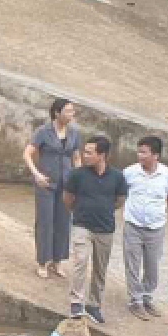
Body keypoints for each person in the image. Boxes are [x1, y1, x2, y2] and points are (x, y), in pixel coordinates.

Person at [64, 135, 127, 325]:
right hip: (82, 225)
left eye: (89, 153)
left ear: (102, 155)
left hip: (105, 229)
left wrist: (103, 209)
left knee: (100, 269)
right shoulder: (77, 175)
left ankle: (93, 305)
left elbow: (120, 201)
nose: (85, 155)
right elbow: (67, 199)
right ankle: (76, 303)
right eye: (85, 152)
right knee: (80, 261)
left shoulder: (117, 177)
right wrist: (80, 211)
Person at [23, 98, 82, 279]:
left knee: (63, 223)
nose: (71, 115)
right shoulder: (43, 131)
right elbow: (27, 153)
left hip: (66, 185)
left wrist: (77, 177)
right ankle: (43, 261)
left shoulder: (74, 133)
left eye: (72, 111)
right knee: (45, 222)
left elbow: (76, 157)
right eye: (68, 111)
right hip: (46, 183)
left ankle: (57, 261)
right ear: (57, 113)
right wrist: (36, 174)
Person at [122, 135, 168, 321]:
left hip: (156, 227)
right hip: (133, 225)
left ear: (156, 155)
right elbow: (121, 194)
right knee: (132, 264)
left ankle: (147, 297)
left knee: (152, 265)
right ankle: (135, 301)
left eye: (144, 152)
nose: (140, 156)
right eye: (139, 151)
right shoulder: (129, 172)